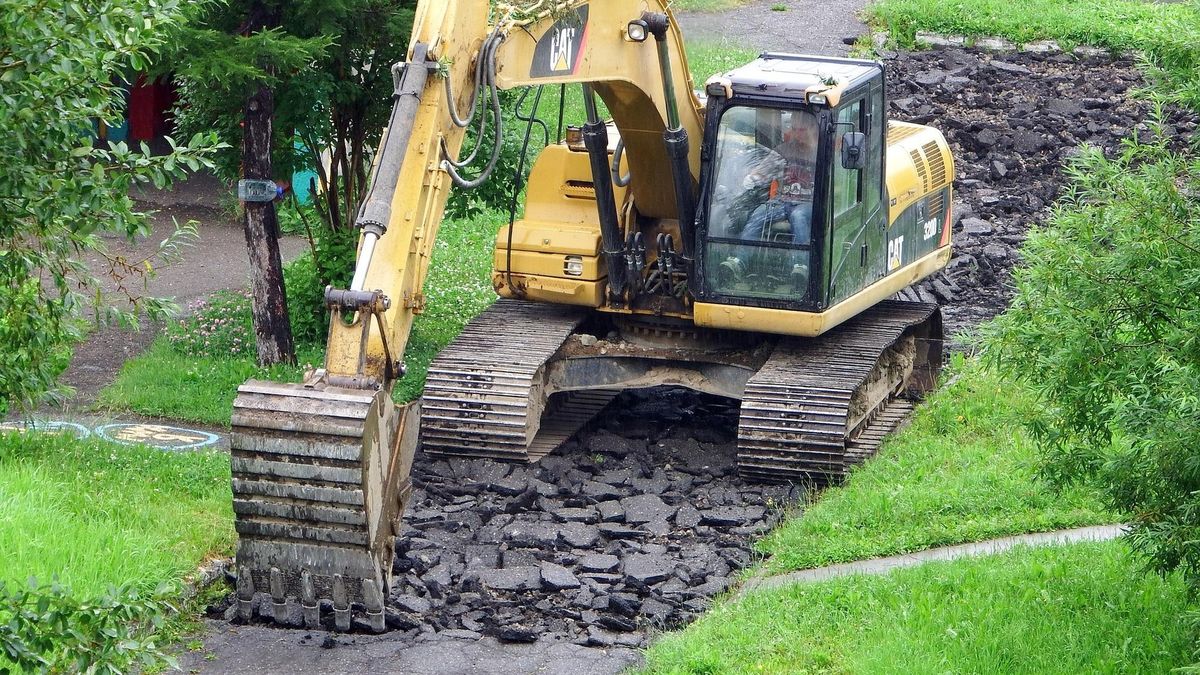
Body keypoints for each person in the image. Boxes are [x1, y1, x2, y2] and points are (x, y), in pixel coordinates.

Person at [740, 113, 818, 245]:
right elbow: (763, 172)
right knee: (757, 216)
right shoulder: (783, 151)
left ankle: (801, 262)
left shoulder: (821, 153)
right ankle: (739, 260)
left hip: (809, 203)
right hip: (782, 202)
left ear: (813, 129)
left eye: (802, 130)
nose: (797, 134)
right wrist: (750, 179)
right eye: (794, 129)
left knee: (798, 216)